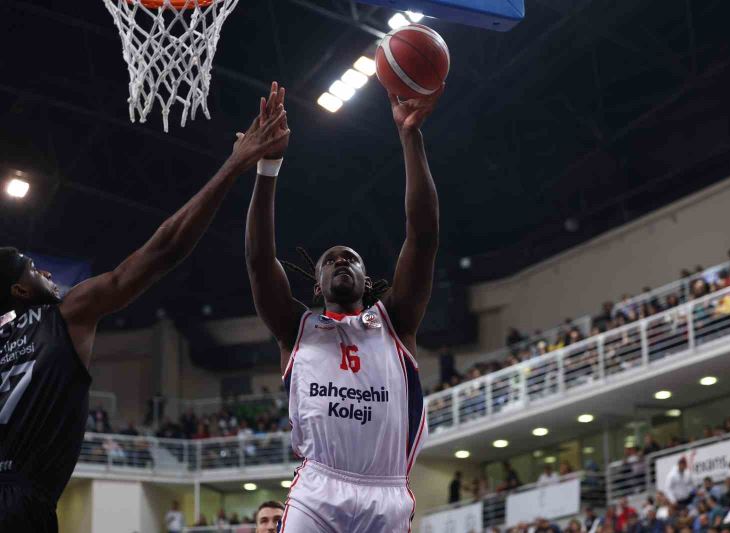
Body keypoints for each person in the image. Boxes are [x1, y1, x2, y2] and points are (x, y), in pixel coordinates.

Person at [0, 93, 288, 532]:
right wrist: (233, 166)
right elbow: (163, 251)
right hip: (20, 506)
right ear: (19, 289)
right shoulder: (66, 314)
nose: (45, 271)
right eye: (33, 268)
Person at [245, 81, 443, 532]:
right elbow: (259, 262)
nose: (340, 261)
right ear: (316, 285)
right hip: (318, 491)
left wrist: (410, 136)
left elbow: (424, 234)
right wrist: (267, 168)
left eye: (349, 258)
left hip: (387, 493)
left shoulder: (397, 322)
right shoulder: (296, 329)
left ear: (366, 280)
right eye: (330, 260)